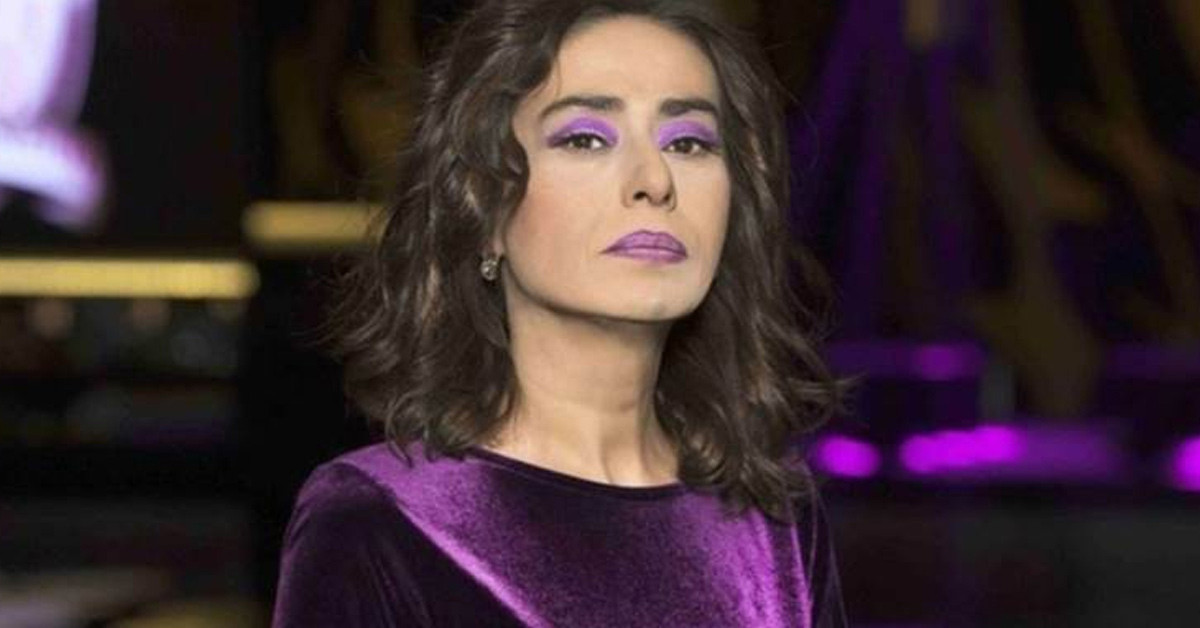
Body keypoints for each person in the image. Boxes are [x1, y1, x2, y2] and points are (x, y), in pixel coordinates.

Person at [271, 0, 848, 625]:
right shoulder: (383, 521)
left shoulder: (773, 516)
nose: (654, 180)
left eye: (688, 142)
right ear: (483, 207)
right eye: (585, 138)